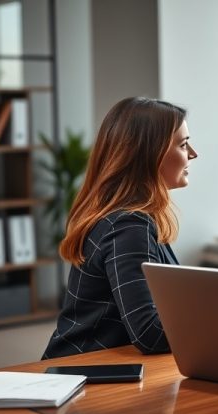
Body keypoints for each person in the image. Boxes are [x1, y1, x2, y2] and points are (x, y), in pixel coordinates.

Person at [43, 96, 198, 359]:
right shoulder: (128, 225)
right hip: (83, 374)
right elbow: (149, 334)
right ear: (151, 154)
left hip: (94, 364)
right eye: (183, 144)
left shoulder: (126, 216)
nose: (193, 153)